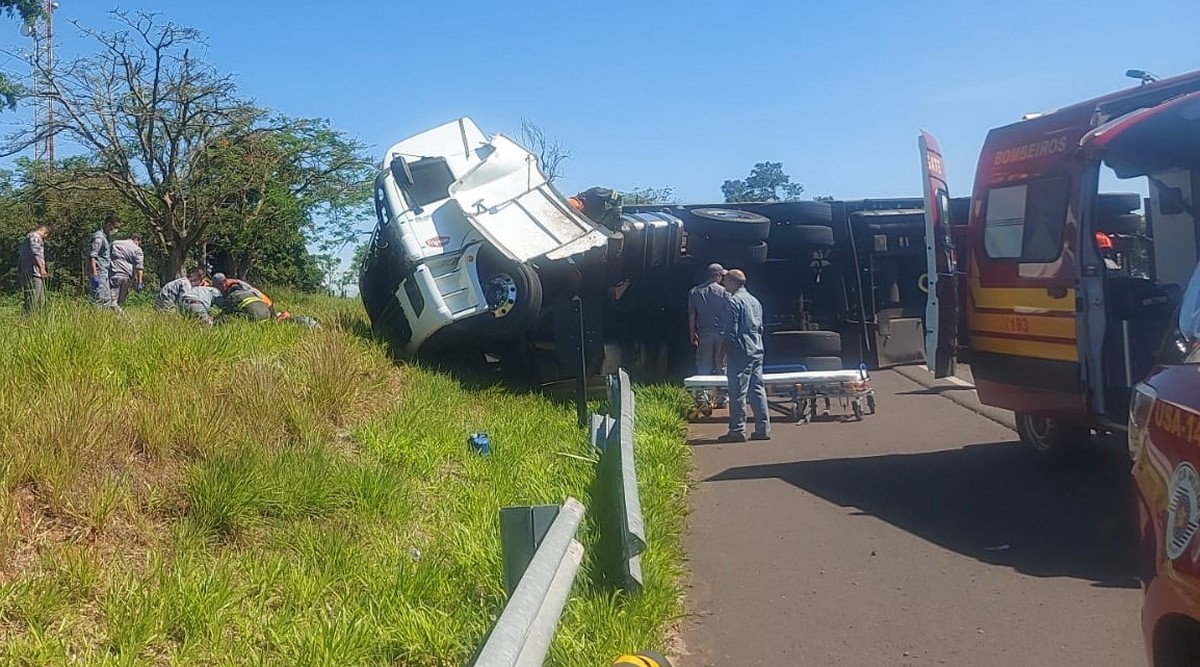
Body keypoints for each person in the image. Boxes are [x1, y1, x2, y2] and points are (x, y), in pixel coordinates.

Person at [718, 268, 770, 442]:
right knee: (757, 389)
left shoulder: (733, 302)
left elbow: (731, 332)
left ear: (733, 281)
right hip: (757, 349)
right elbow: (761, 327)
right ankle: (763, 428)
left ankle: (737, 430)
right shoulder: (755, 301)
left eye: (725, 279)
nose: (723, 282)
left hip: (740, 351)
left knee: (737, 391)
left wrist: (723, 353)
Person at [688, 262, 731, 411]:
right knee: (721, 366)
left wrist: (692, 334)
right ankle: (722, 397)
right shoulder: (725, 293)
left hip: (704, 334)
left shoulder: (695, 291)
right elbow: (729, 315)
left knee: (703, 366)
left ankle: (702, 398)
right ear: (717, 276)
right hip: (721, 334)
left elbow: (692, 315)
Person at [88, 214, 120, 309]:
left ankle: (104, 320)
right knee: (99, 298)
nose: (116, 230)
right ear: (109, 224)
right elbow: (92, 256)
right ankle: (95, 319)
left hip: (105, 272)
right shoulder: (99, 237)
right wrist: (94, 274)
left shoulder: (106, 238)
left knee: (107, 299)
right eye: (115, 227)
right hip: (99, 272)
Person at [17, 224, 49, 316]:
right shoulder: (35, 237)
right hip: (33, 273)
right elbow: (35, 253)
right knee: (32, 300)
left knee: (40, 300)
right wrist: (41, 268)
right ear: (45, 233)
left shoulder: (27, 238)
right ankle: (28, 321)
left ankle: (37, 321)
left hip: (32, 273)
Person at [110, 234, 145, 308]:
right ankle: (121, 316)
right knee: (120, 303)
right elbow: (139, 268)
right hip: (126, 277)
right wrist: (140, 282)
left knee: (112, 301)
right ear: (136, 240)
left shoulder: (115, 243)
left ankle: (119, 316)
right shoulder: (137, 249)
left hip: (114, 274)